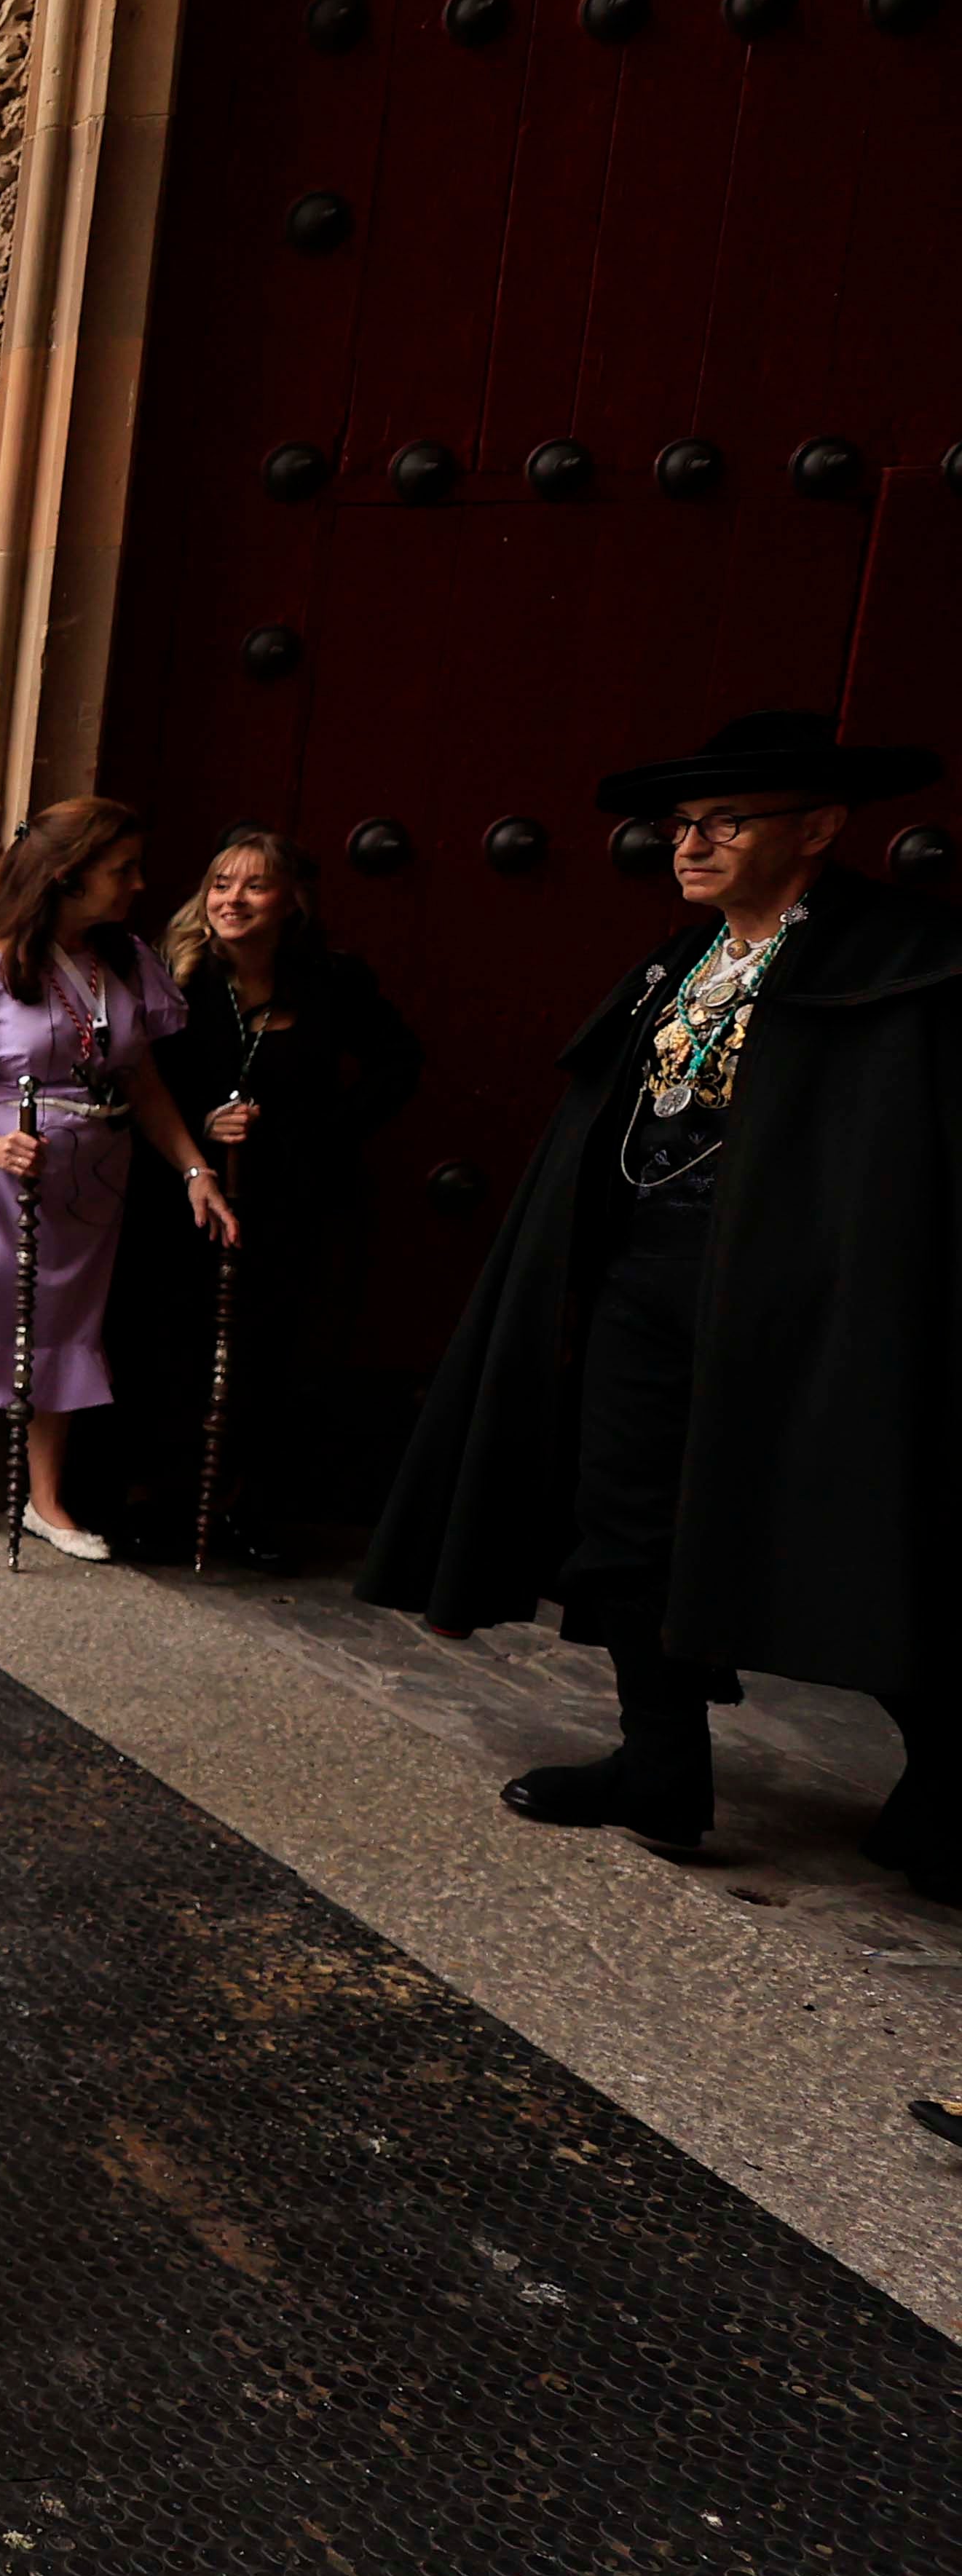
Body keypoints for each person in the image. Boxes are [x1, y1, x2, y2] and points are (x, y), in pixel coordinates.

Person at [363, 708, 960, 1899]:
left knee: (851, 1531)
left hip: (812, 1311)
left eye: (725, 821)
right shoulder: (678, 965)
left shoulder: (903, 958)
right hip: (650, 1281)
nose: (687, 844)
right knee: (626, 1523)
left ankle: (951, 1782)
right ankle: (660, 1768)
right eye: (683, 824)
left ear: (822, 829)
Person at [0, 797, 235, 1556]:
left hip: (89, 1180)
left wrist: (193, 1169)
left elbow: (142, 1082)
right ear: (68, 877)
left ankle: (47, 1499)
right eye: (122, 870)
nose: (139, 883)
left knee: (65, 1324)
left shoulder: (127, 961)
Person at [101, 829, 421, 1563]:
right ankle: (148, 1499)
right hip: (180, 1189)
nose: (232, 900)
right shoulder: (171, 975)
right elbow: (138, 1077)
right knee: (169, 1340)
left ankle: (235, 1506)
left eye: (254, 886)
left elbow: (399, 1064)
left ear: (292, 901)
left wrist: (317, 1130)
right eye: (220, 884)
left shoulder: (332, 982)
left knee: (266, 1348)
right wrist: (201, 1125)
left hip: (286, 1193)